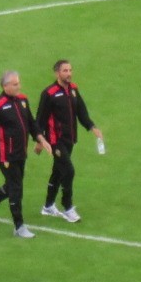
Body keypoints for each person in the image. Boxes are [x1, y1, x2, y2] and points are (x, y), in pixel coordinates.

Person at [0, 69, 47, 238]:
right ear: (5, 86)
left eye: (19, 83)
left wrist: (41, 140)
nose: (19, 86)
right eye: (15, 84)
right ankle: (19, 226)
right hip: (5, 155)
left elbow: (31, 123)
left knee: (11, 185)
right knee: (16, 187)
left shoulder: (22, 100)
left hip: (21, 152)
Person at [37, 59, 103, 221]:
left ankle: (48, 206)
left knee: (58, 172)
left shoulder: (73, 89)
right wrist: (39, 141)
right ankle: (67, 207)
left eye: (70, 70)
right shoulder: (49, 93)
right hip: (55, 140)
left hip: (69, 139)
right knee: (68, 170)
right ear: (57, 73)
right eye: (65, 71)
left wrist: (92, 127)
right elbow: (40, 119)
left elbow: (81, 111)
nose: (69, 73)